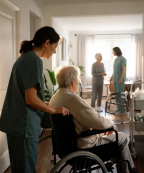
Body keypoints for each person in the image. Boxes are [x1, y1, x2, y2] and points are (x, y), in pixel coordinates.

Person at [0, 26, 69, 173]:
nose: (55, 51)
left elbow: (25, 96)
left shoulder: (24, 58)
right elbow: (30, 99)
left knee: (19, 168)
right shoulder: (34, 61)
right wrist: (54, 109)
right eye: (55, 46)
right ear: (47, 42)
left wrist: (46, 104)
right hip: (24, 126)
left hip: (15, 124)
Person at [49, 65, 136, 173]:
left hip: (66, 147)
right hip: (84, 145)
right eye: (78, 79)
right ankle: (129, 171)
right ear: (72, 81)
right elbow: (97, 121)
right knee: (122, 137)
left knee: (108, 133)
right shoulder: (72, 98)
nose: (78, 82)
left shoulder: (55, 97)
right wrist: (110, 124)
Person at [110, 47, 126, 115]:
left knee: (120, 94)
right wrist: (111, 77)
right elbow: (114, 70)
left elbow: (124, 69)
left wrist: (121, 78)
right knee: (116, 94)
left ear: (116, 51)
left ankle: (121, 110)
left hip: (120, 80)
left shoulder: (123, 59)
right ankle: (118, 109)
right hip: (115, 79)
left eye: (113, 51)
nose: (112, 53)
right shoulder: (116, 59)